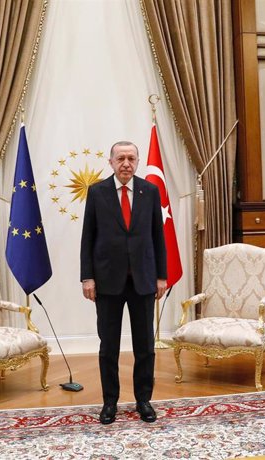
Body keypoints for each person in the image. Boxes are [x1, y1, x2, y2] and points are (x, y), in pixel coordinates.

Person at [80, 140, 167, 425]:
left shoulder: (150, 191)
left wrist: (161, 276)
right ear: (111, 162)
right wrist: (87, 277)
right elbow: (88, 239)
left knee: (145, 346)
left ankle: (144, 400)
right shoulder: (97, 192)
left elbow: (158, 237)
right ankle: (109, 403)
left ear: (137, 161)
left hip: (143, 280)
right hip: (107, 283)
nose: (126, 163)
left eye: (131, 158)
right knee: (109, 347)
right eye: (121, 158)